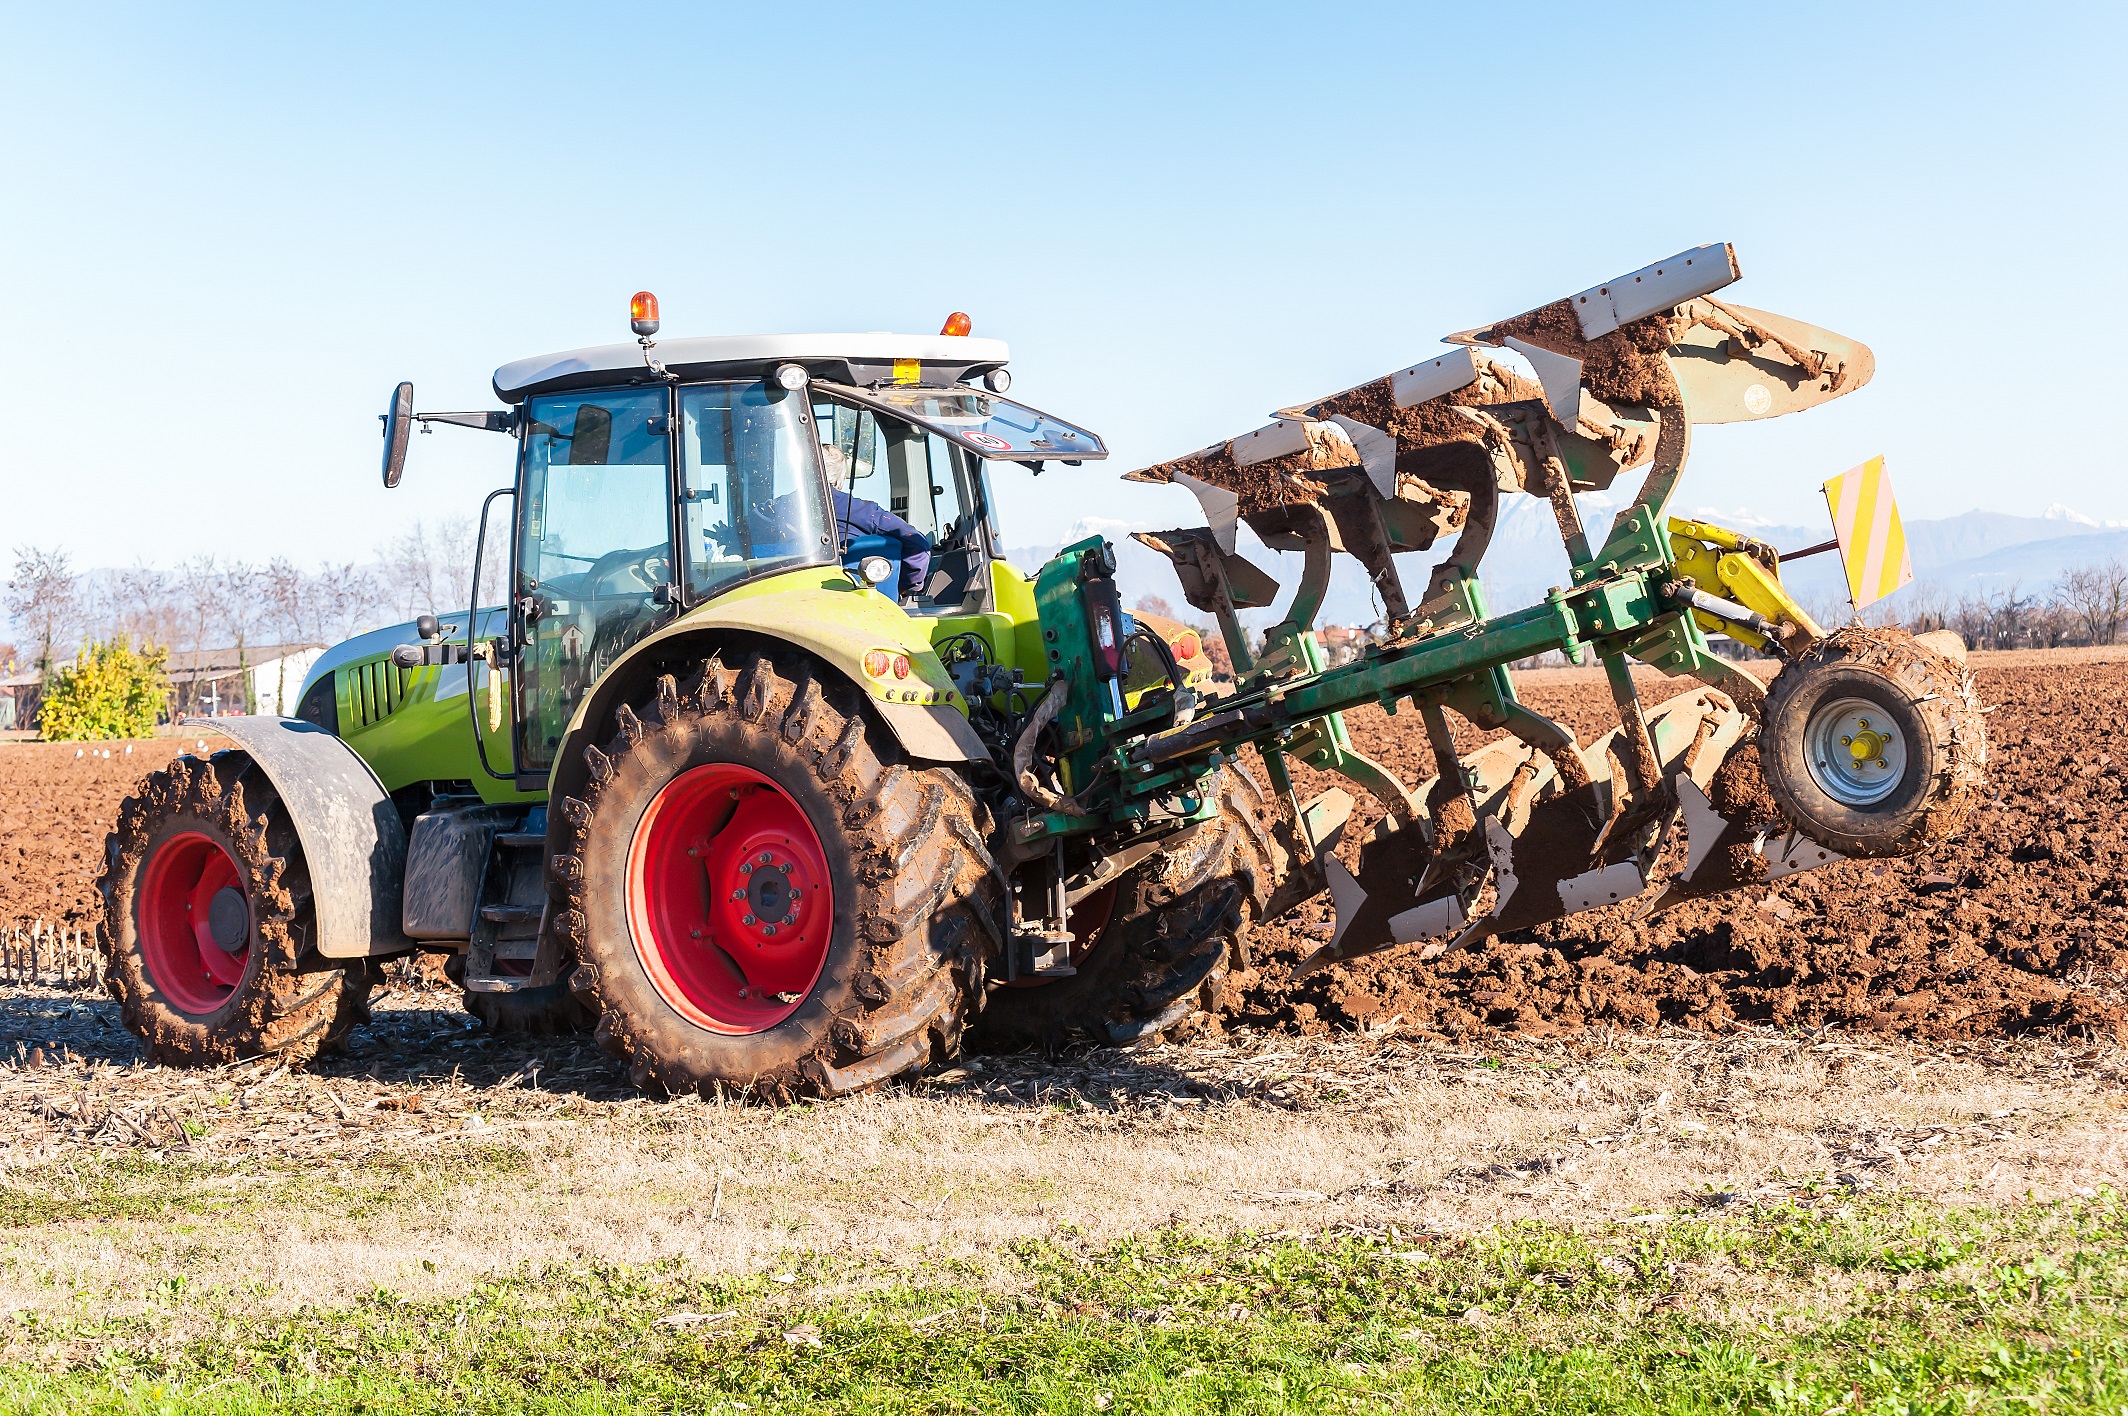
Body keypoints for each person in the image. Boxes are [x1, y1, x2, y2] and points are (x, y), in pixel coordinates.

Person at [820, 446, 931, 602]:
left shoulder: (776, 510)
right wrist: (906, 589)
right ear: (840, 479)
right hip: (855, 604)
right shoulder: (863, 512)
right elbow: (918, 545)